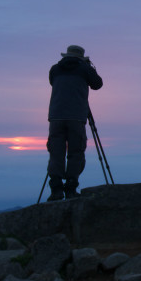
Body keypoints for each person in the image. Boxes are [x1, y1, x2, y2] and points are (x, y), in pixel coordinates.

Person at [46, 45, 103, 201]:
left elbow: (52, 83)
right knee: (76, 151)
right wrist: (89, 67)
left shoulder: (55, 69)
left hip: (56, 116)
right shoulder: (84, 68)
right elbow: (98, 84)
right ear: (81, 57)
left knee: (56, 152)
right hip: (76, 116)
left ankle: (56, 189)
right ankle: (71, 188)